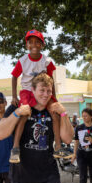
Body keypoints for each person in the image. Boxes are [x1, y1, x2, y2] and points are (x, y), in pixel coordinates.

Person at [10, 29, 64, 163]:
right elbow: (14, 77)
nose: (34, 45)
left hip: (43, 91)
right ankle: (16, 148)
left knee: (55, 113)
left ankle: (58, 146)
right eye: (30, 42)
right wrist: (14, 96)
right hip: (28, 91)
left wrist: (54, 97)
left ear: (42, 45)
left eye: (37, 42)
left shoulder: (47, 61)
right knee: (24, 114)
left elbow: (51, 79)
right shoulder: (22, 61)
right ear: (27, 45)